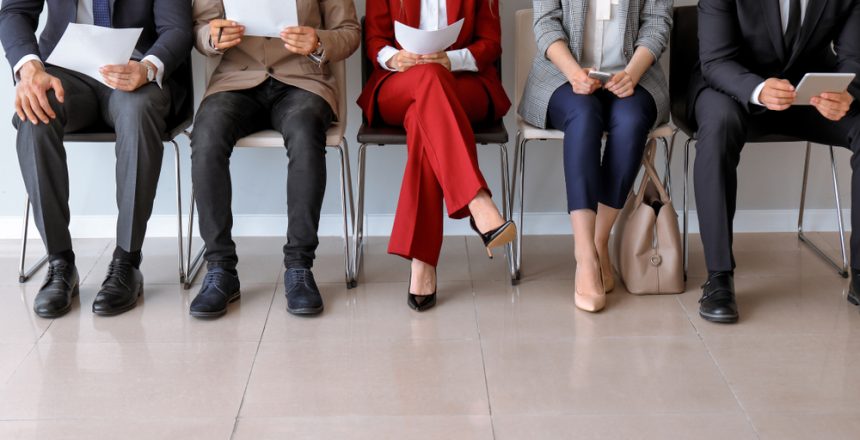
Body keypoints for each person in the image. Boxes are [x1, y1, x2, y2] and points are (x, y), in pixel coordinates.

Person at [0, 0, 192, 318]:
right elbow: (15, 10)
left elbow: (177, 27)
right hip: (65, 73)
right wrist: (28, 66)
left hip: (137, 70)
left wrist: (148, 67)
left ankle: (127, 261)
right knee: (35, 114)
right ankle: (59, 262)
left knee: (137, 110)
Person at [691, 0, 860, 323]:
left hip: (808, 97)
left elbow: (854, 57)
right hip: (733, 89)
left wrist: (848, 92)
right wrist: (758, 89)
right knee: (718, 126)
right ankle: (719, 277)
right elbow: (716, 61)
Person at [190, 0, 359, 318]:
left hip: (303, 82)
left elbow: (349, 32)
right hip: (236, 81)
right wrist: (212, 37)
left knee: (305, 132)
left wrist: (318, 41)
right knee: (206, 135)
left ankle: (299, 266)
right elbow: (200, 29)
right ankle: (220, 268)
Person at [358, 0, 515, 312]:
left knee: (424, 117)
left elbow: (491, 43)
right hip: (399, 83)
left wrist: (451, 60)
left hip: (465, 84)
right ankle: (476, 200)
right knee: (428, 79)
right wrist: (394, 57)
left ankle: (423, 261)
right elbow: (374, 39)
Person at [519, 0, 672, 312]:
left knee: (631, 122)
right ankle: (585, 255)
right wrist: (574, 73)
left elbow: (657, 23)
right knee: (584, 115)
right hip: (561, 76)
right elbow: (546, 23)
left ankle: (599, 240)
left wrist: (632, 73)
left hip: (633, 76)